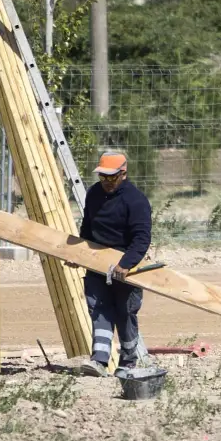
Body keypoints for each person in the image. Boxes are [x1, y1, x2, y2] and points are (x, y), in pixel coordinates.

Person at [76, 150, 152, 377]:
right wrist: (79, 255)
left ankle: (127, 363)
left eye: (112, 177)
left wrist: (126, 264)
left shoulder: (135, 200)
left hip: (126, 266)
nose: (107, 182)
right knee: (98, 309)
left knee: (125, 312)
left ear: (123, 174)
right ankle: (98, 361)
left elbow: (141, 238)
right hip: (96, 264)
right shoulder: (94, 194)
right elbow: (87, 228)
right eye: (103, 177)